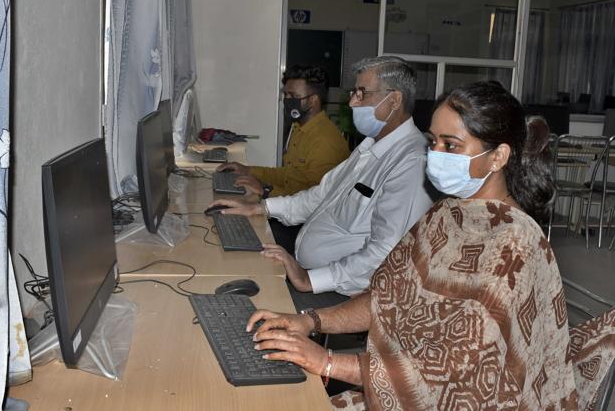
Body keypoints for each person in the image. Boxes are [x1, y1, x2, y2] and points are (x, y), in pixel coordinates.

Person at [245, 81, 579, 410]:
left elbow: (456, 367)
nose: (434, 155)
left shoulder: (515, 246)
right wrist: (310, 321)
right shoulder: (448, 214)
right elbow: (389, 297)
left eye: (451, 145)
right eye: (432, 142)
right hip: (399, 388)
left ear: (498, 157)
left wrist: (329, 362)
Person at [209, 56, 435, 310]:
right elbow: (320, 195)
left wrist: (310, 280)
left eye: (362, 93)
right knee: (238, 271)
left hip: (341, 292)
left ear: (394, 100)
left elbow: (386, 252)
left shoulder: (412, 162)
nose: (351, 102)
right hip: (314, 274)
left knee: (248, 306)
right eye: (354, 92)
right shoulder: (370, 146)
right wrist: (262, 208)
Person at [217, 64, 350, 198]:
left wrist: (265, 191)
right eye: (285, 95)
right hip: (289, 207)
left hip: (306, 216)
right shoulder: (299, 128)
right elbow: (287, 176)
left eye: (293, 96)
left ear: (312, 100)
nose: (287, 101)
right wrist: (248, 171)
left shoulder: (325, 141)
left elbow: (314, 201)